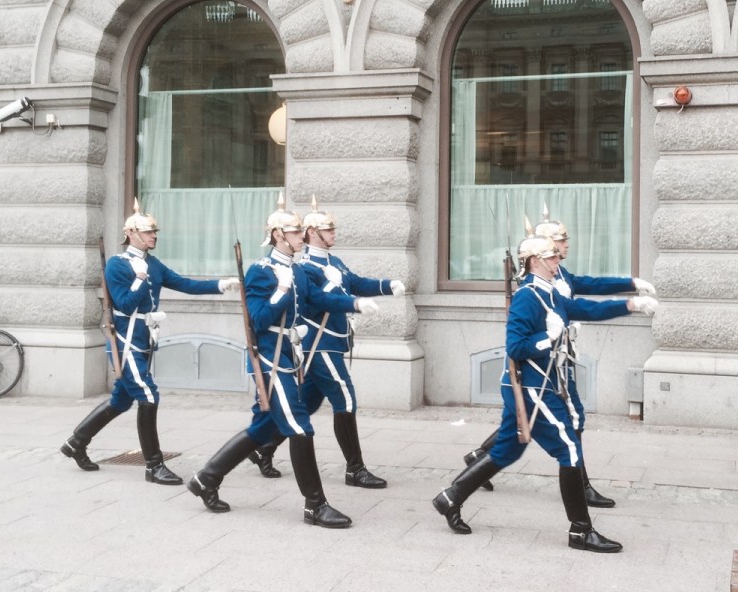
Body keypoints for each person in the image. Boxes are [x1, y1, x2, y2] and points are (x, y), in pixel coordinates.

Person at [432, 233, 656, 552]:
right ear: (535, 261)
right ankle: (580, 530)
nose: (558, 260)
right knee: (570, 448)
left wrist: (630, 304)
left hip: (537, 384)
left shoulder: (549, 292)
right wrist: (547, 338)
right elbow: (515, 347)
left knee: (506, 451)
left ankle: (450, 497)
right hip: (530, 386)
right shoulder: (527, 296)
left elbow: (583, 309)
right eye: (552, 256)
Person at [187, 196, 376, 525]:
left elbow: (319, 298)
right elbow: (258, 320)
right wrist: (280, 292)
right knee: (300, 427)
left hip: (289, 356)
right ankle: (315, 505)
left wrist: (355, 304)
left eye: (301, 231)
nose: (302, 236)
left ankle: (206, 479)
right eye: (295, 232)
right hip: (269, 361)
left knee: (264, 428)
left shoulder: (297, 270)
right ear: (277, 235)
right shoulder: (261, 271)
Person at [463, 207, 657, 506]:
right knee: (562, 424)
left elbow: (589, 291)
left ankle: (472, 468)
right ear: (542, 251)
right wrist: (550, 335)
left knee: (525, 426)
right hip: (543, 365)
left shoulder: (558, 275)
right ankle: (580, 488)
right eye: (559, 243)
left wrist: (629, 291)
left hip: (559, 358)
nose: (564, 248)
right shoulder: (534, 286)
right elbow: (519, 341)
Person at [61, 199, 239, 484]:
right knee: (148, 396)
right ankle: (154, 465)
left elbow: (184, 283)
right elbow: (125, 304)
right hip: (125, 342)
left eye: (154, 232)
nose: (154, 236)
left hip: (144, 340)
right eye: (148, 232)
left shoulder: (152, 263)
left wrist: (220, 284)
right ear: (131, 234)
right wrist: (139, 279)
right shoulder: (118, 265)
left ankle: (76, 442)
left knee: (121, 400)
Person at [250, 197, 402, 487]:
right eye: (328, 229)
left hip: (333, 342)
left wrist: (386, 286)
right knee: (345, 398)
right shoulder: (305, 266)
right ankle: (355, 469)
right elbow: (317, 301)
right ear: (312, 233)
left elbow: (356, 282)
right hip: (319, 344)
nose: (334, 233)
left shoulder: (335, 262)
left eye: (333, 228)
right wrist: (347, 297)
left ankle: (263, 447)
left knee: (306, 403)